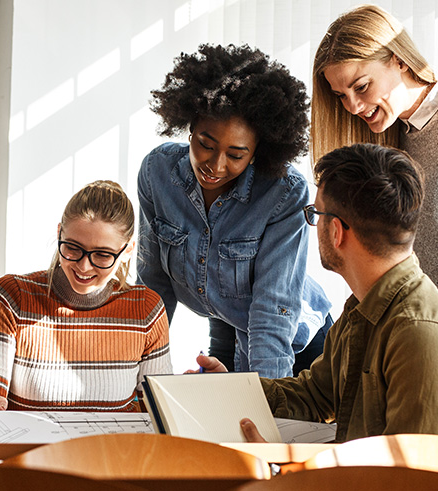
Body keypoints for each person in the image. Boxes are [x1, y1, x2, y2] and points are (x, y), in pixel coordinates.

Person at [196, 143, 438, 443]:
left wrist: (286, 468)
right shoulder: (361, 309)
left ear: (336, 231)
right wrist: (231, 391)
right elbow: (313, 396)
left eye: (315, 213)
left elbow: (410, 478)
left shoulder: (417, 333)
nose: (313, 223)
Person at [138, 43, 331, 379]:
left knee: (262, 424)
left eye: (236, 154)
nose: (215, 165)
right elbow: (153, 286)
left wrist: (268, 402)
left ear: (258, 151)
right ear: (190, 126)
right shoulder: (158, 172)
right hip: (226, 326)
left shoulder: (284, 193)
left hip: (294, 347)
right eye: (205, 144)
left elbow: (271, 312)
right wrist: (142, 373)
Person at [0, 180, 172, 411]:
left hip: (114, 447)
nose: (84, 266)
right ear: (59, 233)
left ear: (128, 250)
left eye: (103, 255)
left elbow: (157, 416)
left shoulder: (146, 309)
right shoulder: (11, 297)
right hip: (31, 447)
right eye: (72, 247)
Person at [312, 4, 438, 284]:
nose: (353, 107)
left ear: (400, 60)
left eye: (361, 87)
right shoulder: (392, 141)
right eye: (341, 96)